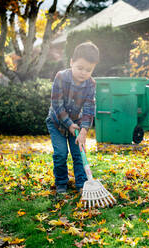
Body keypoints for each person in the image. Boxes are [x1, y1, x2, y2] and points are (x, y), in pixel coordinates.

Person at [46, 41, 99, 194]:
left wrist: (83, 131)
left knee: (79, 153)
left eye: (88, 70)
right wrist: (68, 124)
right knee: (61, 153)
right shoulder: (61, 77)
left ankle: (82, 184)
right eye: (80, 68)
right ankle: (61, 182)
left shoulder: (91, 84)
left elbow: (89, 108)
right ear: (71, 62)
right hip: (57, 122)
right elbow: (57, 104)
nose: (83, 73)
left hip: (77, 124)